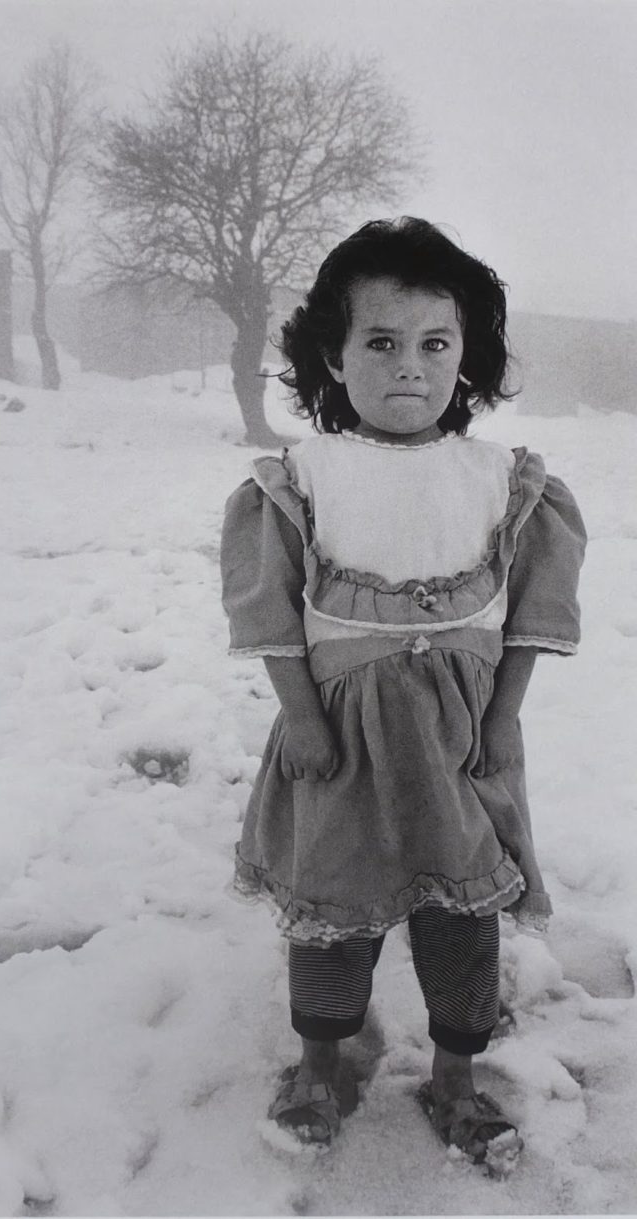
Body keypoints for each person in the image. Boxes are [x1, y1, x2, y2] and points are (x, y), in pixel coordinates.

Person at [220, 217, 586, 1169]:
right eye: (379, 342)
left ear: (467, 357)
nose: (409, 368)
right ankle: (320, 1062)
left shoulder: (500, 480)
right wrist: (300, 714)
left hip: (458, 743)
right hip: (340, 738)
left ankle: (455, 1078)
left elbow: (528, 613)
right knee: (334, 906)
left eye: (435, 344)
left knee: (460, 916)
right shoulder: (303, 478)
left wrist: (503, 719)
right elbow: (269, 610)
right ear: (332, 359)